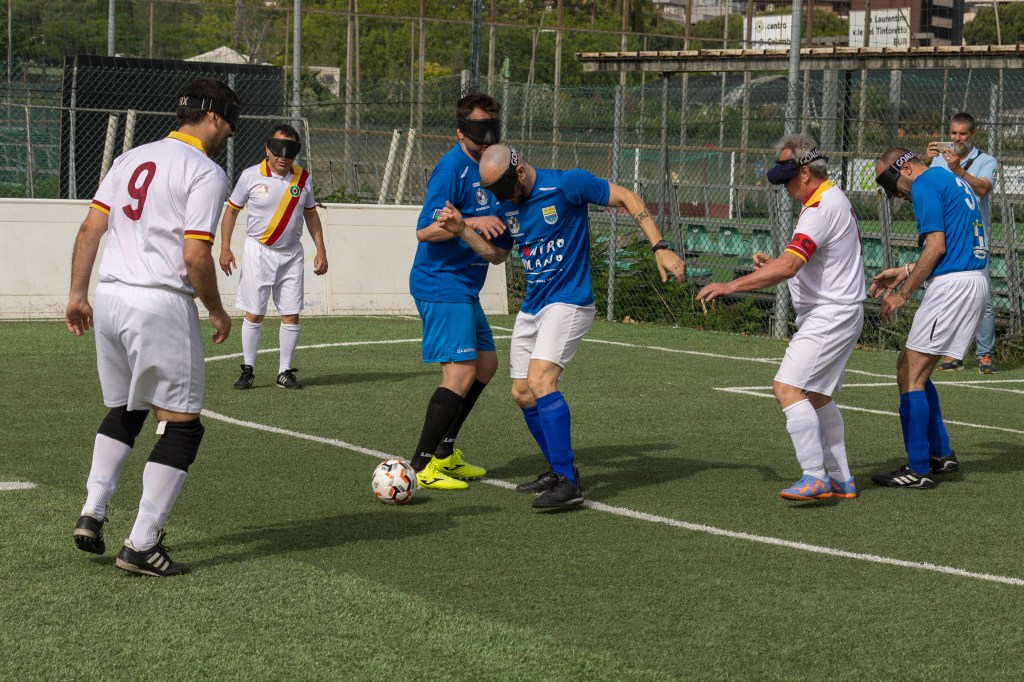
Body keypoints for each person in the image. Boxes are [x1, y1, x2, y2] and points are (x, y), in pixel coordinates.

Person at [437, 144, 685, 509]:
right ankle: (557, 469)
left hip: (569, 301)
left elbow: (629, 197)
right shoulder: (505, 204)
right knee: (522, 392)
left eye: (504, 189)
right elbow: (497, 255)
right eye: (495, 194)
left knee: (541, 381)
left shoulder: (569, 184)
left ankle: (569, 482)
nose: (502, 199)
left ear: (520, 172)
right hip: (534, 305)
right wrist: (462, 231)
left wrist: (659, 246)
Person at [65, 78, 239, 576]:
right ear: (212, 116)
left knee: (126, 407)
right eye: (229, 121)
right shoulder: (205, 171)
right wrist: (217, 310)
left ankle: (93, 510)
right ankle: (141, 543)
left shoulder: (129, 158)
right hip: (158, 302)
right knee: (183, 425)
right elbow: (194, 254)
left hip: (111, 296)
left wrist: (78, 294)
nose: (229, 131)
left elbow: (90, 229)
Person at [696, 134, 865, 501]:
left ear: (805, 173)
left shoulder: (820, 208)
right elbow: (804, 264)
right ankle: (840, 478)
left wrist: (731, 285)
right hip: (840, 311)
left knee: (786, 388)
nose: (784, 187)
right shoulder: (832, 199)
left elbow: (790, 267)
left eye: (787, 180)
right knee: (817, 396)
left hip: (829, 314)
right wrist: (774, 264)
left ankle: (815, 476)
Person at [407, 93, 512, 490]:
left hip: (466, 287)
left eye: (492, 129)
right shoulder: (451, 168)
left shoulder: (493, 169)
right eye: (477, 129)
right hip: (440, 282)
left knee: (485, 366)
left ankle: (445, 453)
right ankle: (421, 466)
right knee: (461, 371)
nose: (486, 138)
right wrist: (471, 219)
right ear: (460, 131)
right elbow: (424, 229)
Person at [870, 148, 989, 489]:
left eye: (891, 183)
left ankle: (918, 468)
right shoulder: (946, 178)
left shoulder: (923, 185)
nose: (894, 193)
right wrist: (904, 270)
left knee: (911, 375)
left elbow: (936, 247)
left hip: (953, 286)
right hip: (969, 279)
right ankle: (940, 454)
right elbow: (951, 243)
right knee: (908, 365)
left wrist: (902, 293)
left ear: (904, 168)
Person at [219, 124, 328, 390]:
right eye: (278, 149)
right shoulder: (250, 176)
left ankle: (284, 371)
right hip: (259, 252)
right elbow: (231, 211)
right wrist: (224, 247)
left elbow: (311, 214)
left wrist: (321, 250)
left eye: (290, 151)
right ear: (268, 148)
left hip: (292, 254)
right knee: (254, 312)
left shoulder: (303, 178)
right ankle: (248, 369)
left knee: (292, 313)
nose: (283, 156)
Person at [926, 112, 999, 375]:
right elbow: (925, 186)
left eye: (962, 134)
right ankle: (953, 354)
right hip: (944, 236)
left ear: (973, 134)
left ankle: (985, 355)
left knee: (984, 299)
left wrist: (958, 169)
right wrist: (926, 161)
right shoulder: (939, 160)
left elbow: (982, 188)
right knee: (945, 295)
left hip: (974, 237)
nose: (956, 139)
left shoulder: (986, 160)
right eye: (953, 133)